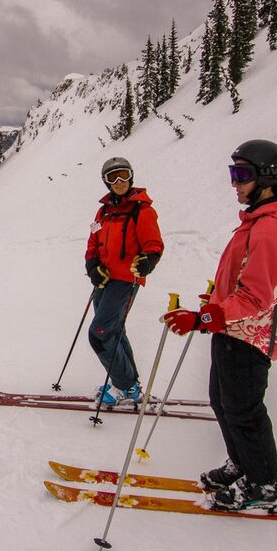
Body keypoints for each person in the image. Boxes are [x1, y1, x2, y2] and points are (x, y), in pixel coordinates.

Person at [162, 139, 277, 511]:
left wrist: (202, 318)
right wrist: (216, 301)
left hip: (251, 333)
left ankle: (264, 482)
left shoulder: (270, 230)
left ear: (267, 178)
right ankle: (243, 464)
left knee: (244, 409)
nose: (234, 182)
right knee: (224, 402)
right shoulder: (259, 222)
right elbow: (245, 280)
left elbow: (256, 298)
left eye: (242, 175)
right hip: (234, 329)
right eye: (233, 173)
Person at [85, 157, 164, 405]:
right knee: (114, 331)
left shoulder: (142, 210)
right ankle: (131, 386)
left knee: (99, 334)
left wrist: (148, 261)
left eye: (123, 175)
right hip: (105, 281)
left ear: (131, 177)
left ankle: (125, 385)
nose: (119, 181)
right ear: (106, 182)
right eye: (113, 177)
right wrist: (92, 266)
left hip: (125, 280)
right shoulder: (104, 210)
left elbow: (154, 245)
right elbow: (93, 243)